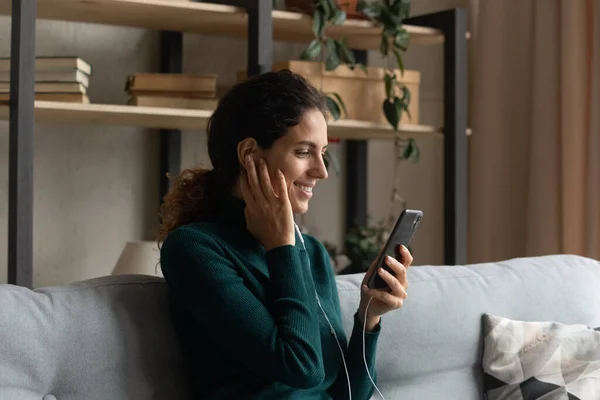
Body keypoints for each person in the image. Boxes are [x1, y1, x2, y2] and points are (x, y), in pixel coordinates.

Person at [157, 69, 412, 399]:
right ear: (250, 154)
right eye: (304, 152)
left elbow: (350, 395)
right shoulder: (195, 249)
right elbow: (301, 368)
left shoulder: (311, 252)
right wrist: (281, 247)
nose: (321, 171)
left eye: (323, 153)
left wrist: (368, 316)